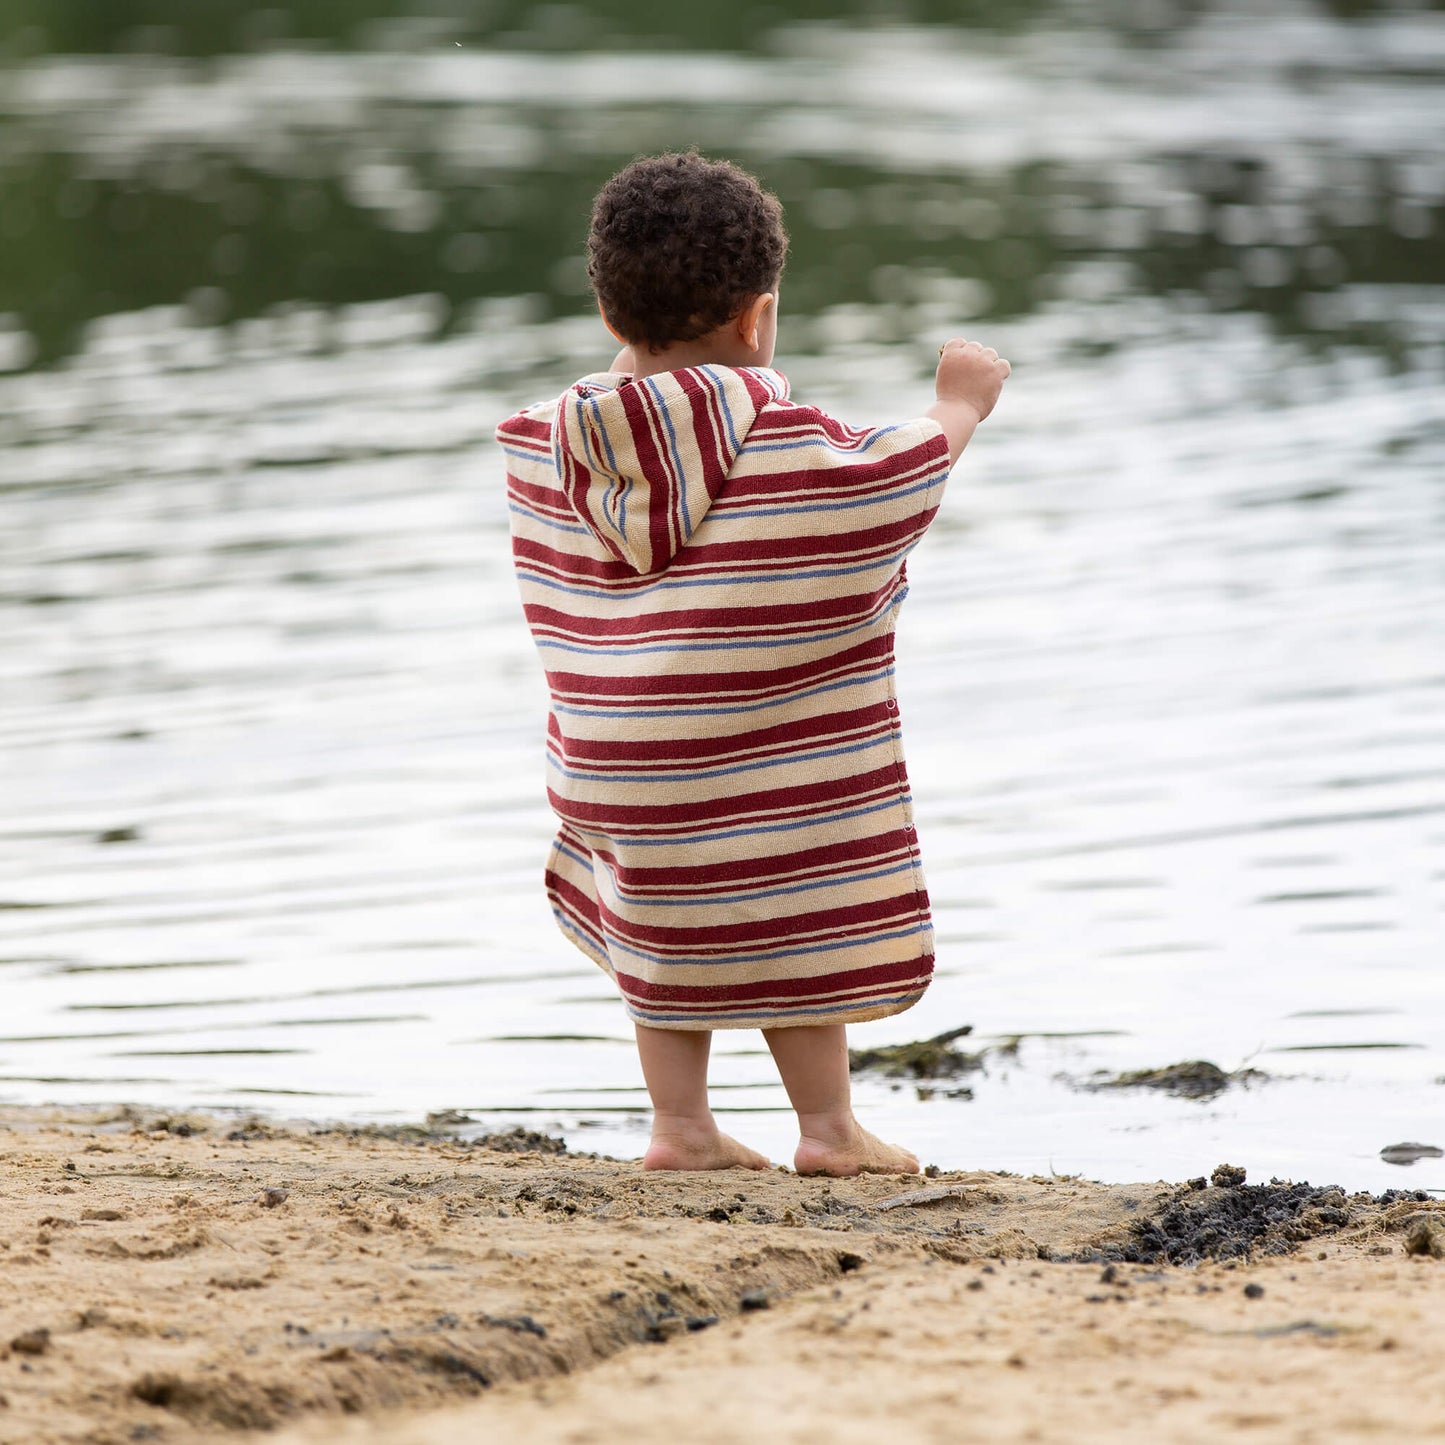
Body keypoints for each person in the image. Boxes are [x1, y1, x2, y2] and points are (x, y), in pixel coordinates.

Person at [496, 152, 1009, 1176]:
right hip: (746, 768)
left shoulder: (547, 446)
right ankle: (829, 1130)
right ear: (756, 317)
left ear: (606, 314)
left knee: (657, 916)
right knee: (792, 894)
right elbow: (883, 484)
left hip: (610, 766)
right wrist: (958, 406)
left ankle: (679, 1127)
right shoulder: (782, 445)